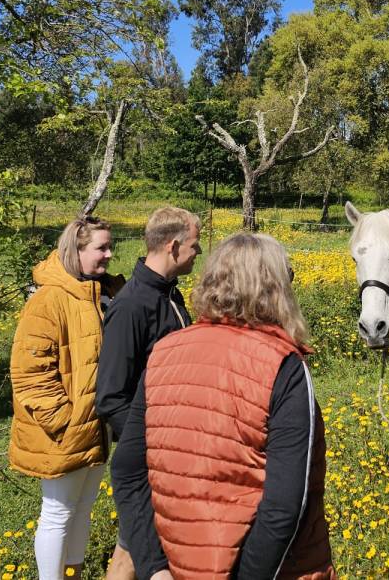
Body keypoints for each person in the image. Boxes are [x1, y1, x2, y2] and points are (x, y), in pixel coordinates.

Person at [115, 233, 336, 580]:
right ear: (274, 287)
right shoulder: (284, 364)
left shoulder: (164, 353)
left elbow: (128, 471)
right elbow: (285, 506)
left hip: (176, 565)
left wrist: (154, 567)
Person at [9, 215, 125, 580]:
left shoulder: (100, 292)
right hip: (67, 428)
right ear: (76, 250)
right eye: (101, 248)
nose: (109, 255)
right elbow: (30, 372)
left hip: (96, 424)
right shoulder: (50, 299)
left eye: (110, 246)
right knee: (58, 512)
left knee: (84, 506)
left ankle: (72, 572)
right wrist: (63, 419)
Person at [97, 206, 202, 580]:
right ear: (173, 247)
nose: (197, 254)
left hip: (171, 449)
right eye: (194, 246)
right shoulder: (131, 306)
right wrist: (151, 443)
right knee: (136, 546)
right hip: (148, 455)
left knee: (135, 543)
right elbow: (110, 397)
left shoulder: (169, 295)